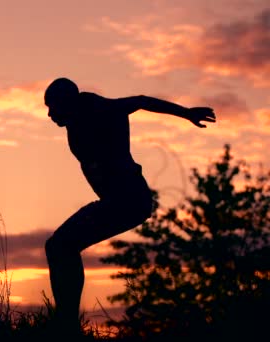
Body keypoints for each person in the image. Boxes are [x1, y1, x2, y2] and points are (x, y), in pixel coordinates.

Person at [43, 77, 216, 336]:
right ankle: (66, 323)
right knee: (62, 246)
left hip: (129, 200)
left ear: (67, 102)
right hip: (118, 202)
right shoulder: (77, 119)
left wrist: (186, 113)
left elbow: (142, 101)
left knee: (59, 246)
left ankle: (66, 324)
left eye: (52, 106)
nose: (49, 114)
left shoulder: (100, 108)